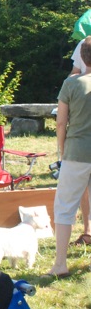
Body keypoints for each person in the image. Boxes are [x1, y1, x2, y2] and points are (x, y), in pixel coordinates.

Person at [47, 36, 91, 277]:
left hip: (76, 152)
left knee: (64, 208)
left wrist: (62, 150)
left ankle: (60, 264)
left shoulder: (71, 84)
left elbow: (61, 122)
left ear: (82, 58)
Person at [68, 35, 91, 244]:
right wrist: (72, 88)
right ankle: (88, 229)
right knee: (84, 182)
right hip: (84, 113)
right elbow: (75, 72)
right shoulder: (84, 43)